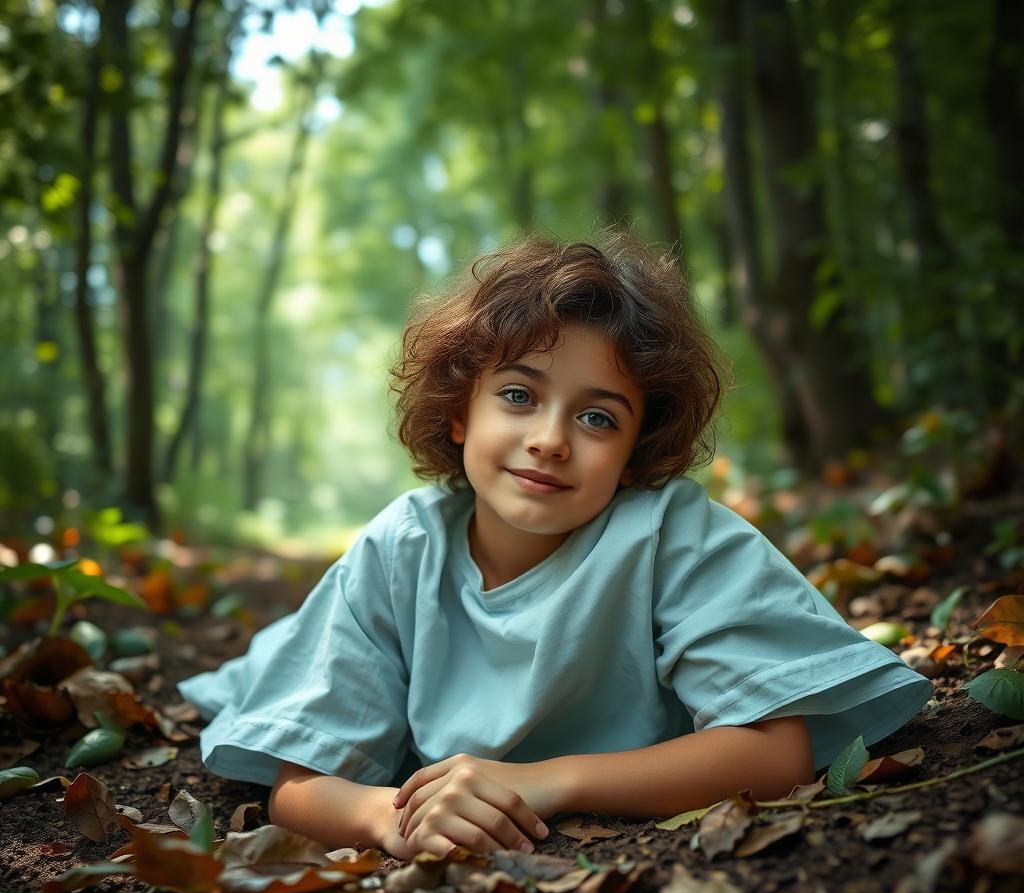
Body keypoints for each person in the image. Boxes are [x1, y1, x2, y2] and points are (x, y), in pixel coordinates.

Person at [177, 230, 932, 861]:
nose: (548, 441)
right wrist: (393, 819)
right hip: (320, 649)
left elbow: (775, 755)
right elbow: (300, 784)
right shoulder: (402, 547)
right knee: (266, 673)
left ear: (637, 450)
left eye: (598, 419)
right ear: (460, 412)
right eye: (518, 395)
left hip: (569, 769)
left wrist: (547, 781)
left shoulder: (670, 534)